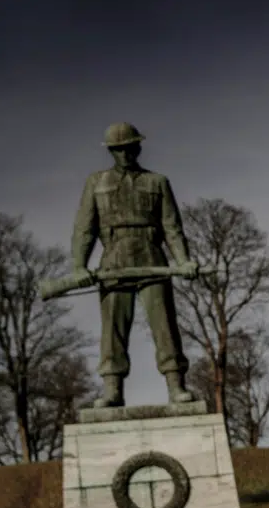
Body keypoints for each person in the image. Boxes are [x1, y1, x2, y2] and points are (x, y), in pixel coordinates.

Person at [71, 122, 199, 408]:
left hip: (152, 258)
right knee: (113, 328)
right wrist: (79, 266)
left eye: (129, 148)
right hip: (113, 262)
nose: (124, 154)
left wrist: (183, 261)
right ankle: (112, 389)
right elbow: (85, 228)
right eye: (118, 150)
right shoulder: (96, 182)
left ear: (138, 147)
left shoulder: (157, 182)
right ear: (111, 152)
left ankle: (176, 384)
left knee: (164, 324)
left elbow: (172, 227)